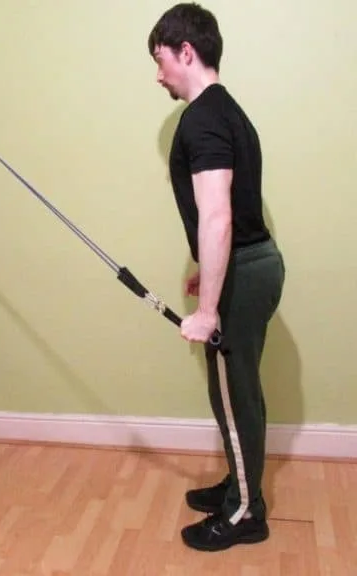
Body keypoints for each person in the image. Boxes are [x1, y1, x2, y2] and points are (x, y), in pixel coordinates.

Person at [147, 3, 285, 552]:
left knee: (234, 395)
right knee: (237, 391)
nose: (157, 76)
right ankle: (239, 487)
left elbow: (219, 214)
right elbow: (238, 209)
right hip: (250, 265)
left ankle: (246, 513)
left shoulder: (202, 118)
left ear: (187, 51)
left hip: (245, 273)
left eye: (160, 60)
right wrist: (208, 274)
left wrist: (208, 310)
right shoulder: (228, 111)